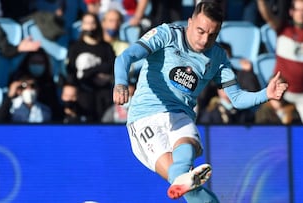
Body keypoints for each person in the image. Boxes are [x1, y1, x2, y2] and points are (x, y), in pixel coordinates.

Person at [112, 2, 288, 202]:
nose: (205, 40)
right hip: (145, 117)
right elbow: (125, 57)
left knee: (187, 156)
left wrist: (266, 93)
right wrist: (121, 83)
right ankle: (183, 179)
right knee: (183, 181)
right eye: (201, 31)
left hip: (180, 114)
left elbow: (237, 98)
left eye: (212, 35)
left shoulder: (218, 57)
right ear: (190, 22)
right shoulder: (167, 34)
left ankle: (185, 179)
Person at [66, 12, 116, 122]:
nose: (89, 26)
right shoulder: (75, 47)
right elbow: (71, 70)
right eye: (86, 23)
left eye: (92, 23)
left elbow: (112, 66)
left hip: (103, 94)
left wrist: (103, 76)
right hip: (83, 92)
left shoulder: (106, 47)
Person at [9, 48, 64, 121]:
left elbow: (56, 113)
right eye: (34, 62)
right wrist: (9, 96)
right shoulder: (17, 81)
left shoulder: (49, 85)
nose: (37, 65)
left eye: (40, 62)